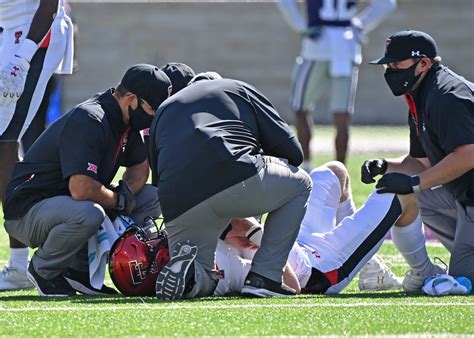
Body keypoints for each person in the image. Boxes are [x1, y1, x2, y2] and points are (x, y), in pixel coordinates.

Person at [2, 64, 172, 296]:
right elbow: (80, 188)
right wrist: (117, 201)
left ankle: (77, 272)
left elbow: (140, 167)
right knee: (90, 212)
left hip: (66, 204)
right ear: (131, 98)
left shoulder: (127, 120)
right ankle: (43, 270)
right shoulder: (91, 119)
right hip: (28, 210)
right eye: (153, 108)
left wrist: (124, 194)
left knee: (151, 197)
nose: (154, 116)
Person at [150, 78, 312, 300]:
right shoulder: (239, 88)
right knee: (301, 183)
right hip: (232, 175)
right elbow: (294, 153)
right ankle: (265, 277)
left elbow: (157, 179)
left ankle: (192, 277)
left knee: (203, 275)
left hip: (178, 199)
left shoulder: (165, 108)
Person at [362, 29, 473, 291]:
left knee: (464, 281)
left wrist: (414, 181)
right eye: (388, 65)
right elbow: (421, 163)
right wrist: (386, 165)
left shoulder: (445, 96)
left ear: (423, 63)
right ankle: (427, 270)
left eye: (397, 64)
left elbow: (469, 153)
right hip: (466, 198)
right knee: (409, 195)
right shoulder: (420, 94)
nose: (390, 70)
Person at [214, 161, 417, 296]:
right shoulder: (218, 267)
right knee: (399, 194)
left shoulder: (194, 225)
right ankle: (424, 273)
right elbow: (291, 284)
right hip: (318, 269)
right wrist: (255, 233)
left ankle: (370, 267)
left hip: (292, 238)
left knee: (334, 172)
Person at [0, 0, 74, 291]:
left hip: (35, 39)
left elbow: (49, 5)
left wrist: (22, 59)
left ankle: (19, 265)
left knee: (4, 141)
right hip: (7, 34)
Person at [276, 0, 396, 167]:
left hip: (316, 45)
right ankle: (340, 172)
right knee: (342, 117)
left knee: (301, 108)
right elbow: (387, 3)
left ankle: (307, 166)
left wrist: (301, 26)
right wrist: (360, 25)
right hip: (346, 46)